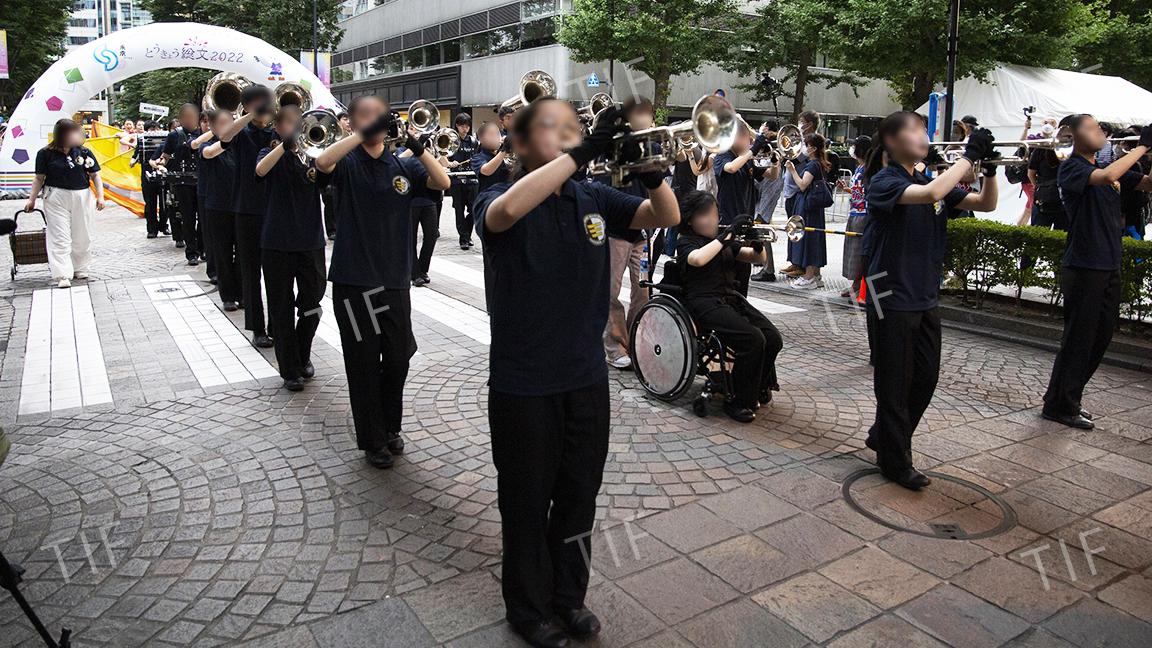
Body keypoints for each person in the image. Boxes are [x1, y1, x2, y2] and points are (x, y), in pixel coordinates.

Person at [474, 99, 679, 648]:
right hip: (524, 381)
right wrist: (583, 151)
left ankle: (569, 597)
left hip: (585, 376)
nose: (569, 135)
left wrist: (653, 173)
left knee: (578, 492)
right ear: (518, 143)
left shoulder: (591, 196)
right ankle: (527, 607)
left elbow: (666, 217)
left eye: (574, 128)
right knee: (525, 497)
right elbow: (505, 215)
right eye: (553, 129)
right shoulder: (496, 195)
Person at [863, 111, 999, 490]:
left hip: (923, 293)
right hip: (885, 290)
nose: (924, 135)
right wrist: (969, 157)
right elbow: (932, 194)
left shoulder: (927, 177)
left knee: (925, 377)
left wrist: (988, 169)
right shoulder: (884, 181)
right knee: (893, 379)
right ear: (891, 142)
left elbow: (984, 204)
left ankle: (883, 434)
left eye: (925, 129)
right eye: (914, 129)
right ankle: (894, 460)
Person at [314, 95, 451, 469]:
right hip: (354, 281)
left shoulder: (403, 165)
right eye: (365, 116)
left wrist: (418, 147)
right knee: (362, 363)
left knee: (397, 357)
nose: (375, 122)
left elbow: (443, 181)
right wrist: (361, 135)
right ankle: (374, 440)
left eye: (380, 116)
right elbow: (321, 163)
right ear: (352, 122)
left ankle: (391, 425)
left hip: (394, 280)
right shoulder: (347, 162)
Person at [1042, 117, 1152, 429]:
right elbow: (1106, 175)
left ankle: (1066, 399)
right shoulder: (1073, 167)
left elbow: (1146, 184)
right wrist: (1143, 144)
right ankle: (1060, 404)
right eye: (1091, 128)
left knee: (1100, 338)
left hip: (1108, 263)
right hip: (1084, 264)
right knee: (1079, 339)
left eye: (1099, 128)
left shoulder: (1113, 168)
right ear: (1072, 137)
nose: (1100, 132)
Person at [677, 190, 782, 422]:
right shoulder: (686, 241)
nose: (711, 220)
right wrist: (727, 235)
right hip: (703, 302)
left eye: (714, 214)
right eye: (705, 215)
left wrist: (756, 242)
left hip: (728, 299)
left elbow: (757, 259)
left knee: (773, 338)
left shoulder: (722, 241)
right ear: (690, 219)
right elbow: (698, 259)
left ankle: (756, 386)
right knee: (753, 340)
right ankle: (738, 401)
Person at [255, 106, 328, 391]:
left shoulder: (314, 154)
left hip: (310, 240)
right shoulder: (268, 151)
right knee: (281, 307)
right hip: (276, 242)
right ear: (278, 127)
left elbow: (329, 174)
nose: (298, 128)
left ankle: (302, 353)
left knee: (313, 301)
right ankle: (289, 370)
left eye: (301, 123)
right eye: (291, 124)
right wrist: (285, 146)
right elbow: (260, 171)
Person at [207, 86, 277, 348]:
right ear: (246, 107)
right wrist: (248, 116)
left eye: (267, 103)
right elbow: (223, 136)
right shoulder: (241, 131)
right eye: (258, 104)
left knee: (275, 274)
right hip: (246, 209)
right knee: (251, 272)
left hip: (274, 210)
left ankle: (276, 325)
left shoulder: (276, 131)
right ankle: (258, 328)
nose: (264, 108)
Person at [600, 96, 656, 370]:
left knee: (643, 290)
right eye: (640, 115)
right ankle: (613, 346)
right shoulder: (611, 148)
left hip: (640, 234)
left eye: (648, 115)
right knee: (610, 292)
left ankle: (635, 340)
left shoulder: (651, 147)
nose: (646, 120)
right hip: (615, 231)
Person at [24, 119, 106, 288]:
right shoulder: (45, 153)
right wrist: (32, 199)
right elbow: (39, 178)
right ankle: (62, 273)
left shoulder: (84, 152)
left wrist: (100, 196)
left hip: (82, 194)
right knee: (60, 235)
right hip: (56, 196)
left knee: (83, 234)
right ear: (63, 134)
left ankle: (81, 267)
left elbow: (95, 175)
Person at [713, 120, 767, 296]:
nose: (749, 143)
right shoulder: (723, 155)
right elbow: (731, 168)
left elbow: (771, 176)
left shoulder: (747, 160)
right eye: (746, 138)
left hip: (746, 224)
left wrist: (776, 161)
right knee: (728, 274)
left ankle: (741, 307)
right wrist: (752, 151)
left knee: (744, 274)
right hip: (727, 223)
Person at [197, 110, 241, 310]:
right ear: (213, 127)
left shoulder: (242, 144)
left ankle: (242, 293)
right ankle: (228, 296)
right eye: (222, 123)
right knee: (222, 253)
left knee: (242, 254)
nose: (228, 126)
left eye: (231, 122)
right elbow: (209, 152)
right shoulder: (207, 145)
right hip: (217, 207)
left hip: (241, 206)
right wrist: (224, 139)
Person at [785, 133, 832, 288]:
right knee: (815, 236)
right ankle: (816, 275)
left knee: (809, 238)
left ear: (813, 149)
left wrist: (792, 170)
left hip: (807, 206)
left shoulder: (812, 165)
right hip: (814, 207)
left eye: (806, 145)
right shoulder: (820, 163)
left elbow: (803, 184)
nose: (804, 148)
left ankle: (809, 277)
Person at [161, 103, 204, 264]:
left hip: (201, 180)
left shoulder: (202, 133)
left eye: (192, 116)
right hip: (182, 182)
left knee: (203, 217)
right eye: (185, 117)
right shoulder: (174, 136)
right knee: (188, 217)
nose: (189, 120)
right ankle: (191, 252)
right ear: (180, 119)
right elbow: (165, 155)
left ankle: (202, 248)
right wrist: (160, 164)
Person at [781, 110, 821, 277]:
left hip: (799, 192)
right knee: (792, 229)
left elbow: (795, 159)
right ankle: (794, 262)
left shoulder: (810, 143)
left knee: (800, 230)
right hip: (791, 191)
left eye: (802, 121)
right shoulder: (800, 141)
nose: (799, 125)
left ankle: (802, 266)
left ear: (809, 124)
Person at [842, 135, 871, 300]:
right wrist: (847, 190)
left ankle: (858, 285)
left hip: (863, 214)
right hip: (854, 212)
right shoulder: (860, 168)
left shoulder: (869, 169)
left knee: (858, 251)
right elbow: (858, 191)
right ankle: (854, 283)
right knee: (852, 250)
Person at [447, 113, 480, 249]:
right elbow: (444, 157)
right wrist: (450, 162)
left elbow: (478, 158)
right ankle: (463, 239)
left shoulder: (474, 142)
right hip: (456, 180)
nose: (465, 129)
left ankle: (467, 235)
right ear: (457, 126)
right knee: (459, 210)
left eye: (467, 126)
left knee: (473, 210)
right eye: (462, 126)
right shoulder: (450, 141)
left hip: (472, 180)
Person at [132, 121, 168, 239]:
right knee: (150, 203)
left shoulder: (165, 142)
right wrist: (132, 161)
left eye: (156, 129)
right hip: (147, 176)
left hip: (163, 175)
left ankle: (164, 225)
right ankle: (151, 229)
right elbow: (135, 157)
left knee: (165, 203)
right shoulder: (142, 142)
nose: (154, 132)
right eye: (151, 129)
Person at [472, 121, 511, 192]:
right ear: (481, 139)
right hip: (489, 198)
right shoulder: (477, 157)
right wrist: (504, 150)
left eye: (497, 133)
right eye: (492, 134)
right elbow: (486, 170)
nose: (496, 137)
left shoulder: (504, 155)